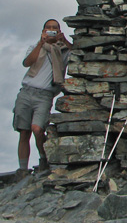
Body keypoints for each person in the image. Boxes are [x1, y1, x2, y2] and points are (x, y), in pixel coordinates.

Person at [13, 19, 72, 180]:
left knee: (37, 129)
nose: (51, 30)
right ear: (43, 30)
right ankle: (22, 169)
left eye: (55, 28)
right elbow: (27, 63)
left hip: (45, 95)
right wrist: (41, 43)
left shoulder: (63, 50)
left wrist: (63, 40)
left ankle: (43, 158)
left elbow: (78, 54)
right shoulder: (36, 47)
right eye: (48, 28)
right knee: (24, 132)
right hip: (26, 92)